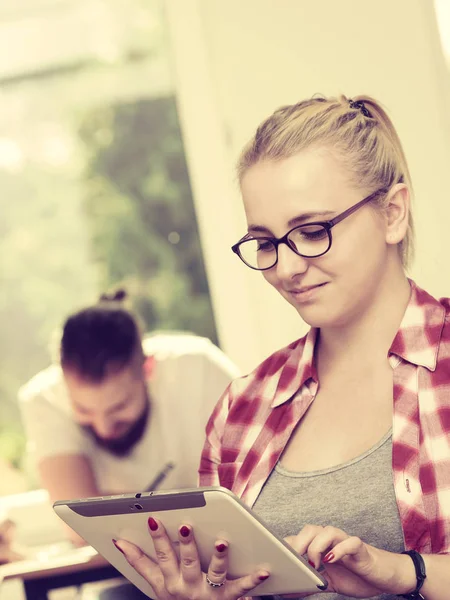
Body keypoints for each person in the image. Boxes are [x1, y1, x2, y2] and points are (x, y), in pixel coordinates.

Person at [112, 94, 450, 600]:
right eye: (266, 244)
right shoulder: (243, 406)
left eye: (312, 232)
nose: (286, 269)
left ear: (393, 213)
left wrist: (405, 572)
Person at [18, 291, 239, 543]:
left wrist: (112, 505)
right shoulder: (43, 399)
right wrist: (194, 503)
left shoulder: (198, 368)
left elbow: (249, 491)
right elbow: (80, 525)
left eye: (119, 407)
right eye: (84, 410)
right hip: (116, 564)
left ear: (148, 368)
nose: (103, 428)